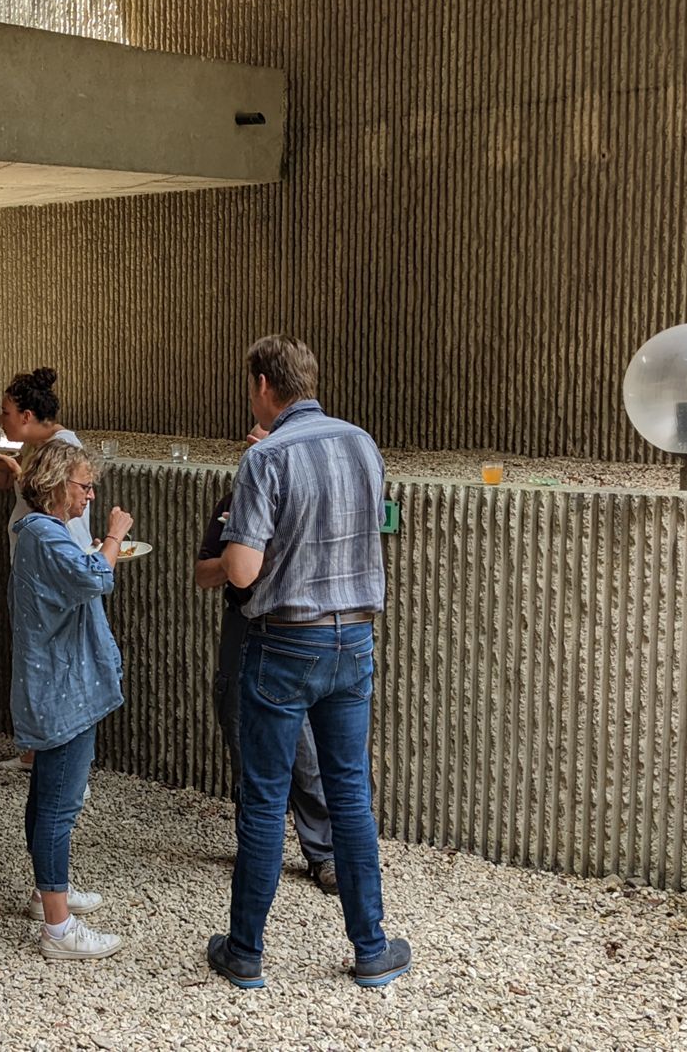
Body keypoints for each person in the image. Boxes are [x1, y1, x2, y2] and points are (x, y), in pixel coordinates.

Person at [206, 334, 410, 991]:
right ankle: (371, 947)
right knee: (350, 792)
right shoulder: (362, 442)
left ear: (264, 385)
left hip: (285, 640)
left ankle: (245, 951)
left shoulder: (266, 456)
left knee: (265, 799)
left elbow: (242, 570)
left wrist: (225, 557)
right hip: (354, 639)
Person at [9, 438, 133, 960]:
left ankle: (48, 893)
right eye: (84, 485)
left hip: (55, 683)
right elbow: (94, 577)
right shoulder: (44, 534)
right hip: (63, 688)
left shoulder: (39, 532)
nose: (90, 494)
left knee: (47, 795)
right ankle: (58, 929)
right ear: (57, 485)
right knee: (60, 803)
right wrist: (114, 536)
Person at [196, 490, 339, 895]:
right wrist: (234, 560)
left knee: (306, 746)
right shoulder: (234, 502)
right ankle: (258, 850)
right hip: (243, 623)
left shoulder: (311, 499)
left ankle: (324, 853)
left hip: (297, 626)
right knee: (242, 734)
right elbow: (203, 574)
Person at [0, 368, 88, 774]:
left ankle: (66, 762)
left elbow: (58, 507)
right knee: (33, 659)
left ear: (26, 415)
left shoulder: (65, 448)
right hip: (30, 566)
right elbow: (4, 484)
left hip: (54, 568)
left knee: (54, 661)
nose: (0, 418)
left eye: (5, 413)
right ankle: (36, 750)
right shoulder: (34, 444)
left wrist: (21, 475)